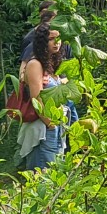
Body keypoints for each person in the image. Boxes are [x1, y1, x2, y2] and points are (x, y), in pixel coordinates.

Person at [17, 23, 71, 171]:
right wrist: (50, 123)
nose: (57, 42)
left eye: (59, 38)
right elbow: (37, 99)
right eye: (51, 39)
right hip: (43, 128)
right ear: (42, 42)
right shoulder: (35, 64)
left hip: (57, 125)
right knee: (42, 176)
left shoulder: (52, 63)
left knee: (54, 175)